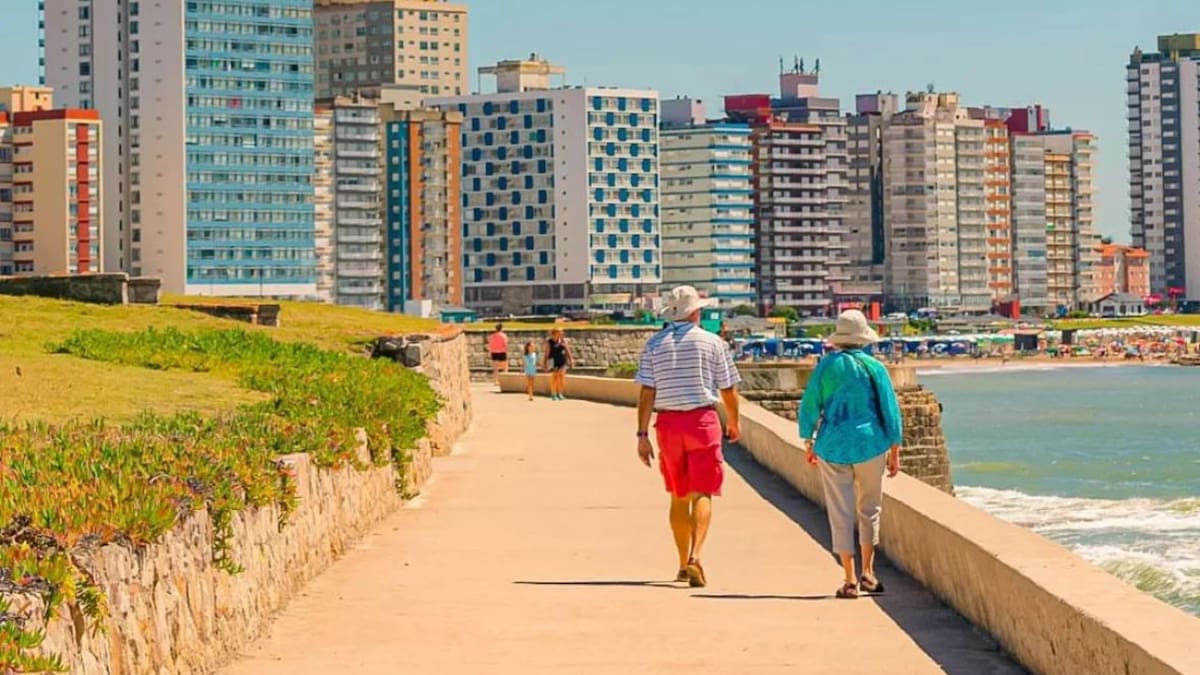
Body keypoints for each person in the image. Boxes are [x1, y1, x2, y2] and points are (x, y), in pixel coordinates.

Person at [634, 286, 742, 588]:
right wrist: (733, 421)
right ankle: (696, 555)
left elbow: (647, 392)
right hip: (702, 421)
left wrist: (642, 434)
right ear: (696, 312)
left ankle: (682, 564)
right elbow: (728, 389)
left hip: (668, 424)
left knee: (678, 496)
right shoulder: (713, 343)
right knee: (703, 492)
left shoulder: (654, 345)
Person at [798, 309, 903, 600]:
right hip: (871, 444)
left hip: (833, 445)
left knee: (840, 512)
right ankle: (869, 573)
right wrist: (895, 450)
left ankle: (849, 579)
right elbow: (890, 411)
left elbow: (810, 405)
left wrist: (808, 440)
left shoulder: (825, 367)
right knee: (870, 508)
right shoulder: (875, 368)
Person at [544, 328, 574, 400]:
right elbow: (546, 354)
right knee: (554, 377)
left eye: (562, 332)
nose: (562, 333)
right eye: (560, 332)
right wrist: (545, 364)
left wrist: (571, 361)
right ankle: (554, 393)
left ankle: (560, 393)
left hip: (562, 361)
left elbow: (568, 351)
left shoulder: (563, 340)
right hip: (553, 361)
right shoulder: (549, 342)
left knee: (561, 377)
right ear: (555, 333)